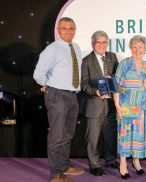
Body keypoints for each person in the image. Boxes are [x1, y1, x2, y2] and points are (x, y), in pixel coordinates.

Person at [33, 17, 84, 182]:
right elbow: (38, 74)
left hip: (72, 95)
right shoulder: (52, 49)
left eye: (71, 28)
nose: (68, 31)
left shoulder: (75, 47)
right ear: (58, 30)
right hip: (58, 96)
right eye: (64, 28)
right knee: (57, 135)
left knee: (67, 135)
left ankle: (65, 167)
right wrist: (49, 87)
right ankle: (56, 174)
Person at [80, 31, 119, 176]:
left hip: (110, 105)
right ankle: (94, 164)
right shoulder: (86, 61)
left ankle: (111, 160)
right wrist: (95, 91)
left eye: (104, 42)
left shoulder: (112, 57)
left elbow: (119, 75)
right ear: (93, 44)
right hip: (94, 105)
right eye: (99, 42)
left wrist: (112, 77)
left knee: (110, 136)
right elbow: (83, 85)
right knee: (93, 138)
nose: (102, 45)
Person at [113, 35, 146, 179]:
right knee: (125, 136)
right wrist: (117, 105)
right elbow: (116, 84)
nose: (138, 50)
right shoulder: (125, 64)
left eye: (140, 47)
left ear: (144, 48)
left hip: (142, 109)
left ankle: (136, 162)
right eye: (135, 47)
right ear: (131, 48)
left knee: (139, 136)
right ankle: (123, 163)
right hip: (127, 106)